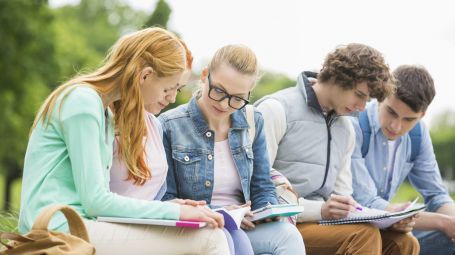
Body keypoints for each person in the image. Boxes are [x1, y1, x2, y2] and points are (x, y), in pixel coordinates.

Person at [18, 27, 230, 255]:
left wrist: (169, 207)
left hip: (81, 223)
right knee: (209, 238)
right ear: (145, 75)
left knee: (203, 233)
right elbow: (95, 201)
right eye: (168, 88)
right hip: (58, 229)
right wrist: (175, 213)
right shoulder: (82, 102)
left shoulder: (104, 112)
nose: (170, 98)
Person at [255, 43, 419, 254]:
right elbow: (257, 189)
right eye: (359, 95)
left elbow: (345, 197)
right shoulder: (276, 109)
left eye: (366, 100)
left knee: (403, 242)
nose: (361, 107)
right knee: (363, 235)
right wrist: (320, 210)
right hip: (280, 226)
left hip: (322, 224)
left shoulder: (346, 129)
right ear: (337, 77)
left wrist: (387, 219)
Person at [159, 44, 306, 255]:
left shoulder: (253, 120)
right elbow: (167, 199)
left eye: (237, 98)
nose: (225, 104)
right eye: (218, 90)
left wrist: (267, 212)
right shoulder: (169, 125)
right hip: (199, 227)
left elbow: (262, 185)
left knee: (288, 236)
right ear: (204, 75)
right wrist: (219, 213)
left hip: (245, 224)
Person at [350, 65, 455, 255]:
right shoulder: (355, 123)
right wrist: (442, 222)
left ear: (422, 115)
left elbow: (437, 195)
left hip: (391, 229)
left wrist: (453, 221)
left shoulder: (418, 133)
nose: (396, 126)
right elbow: (366, 201)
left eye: (408, 119)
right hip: (355, 229)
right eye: (391, 112)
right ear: (381, 97)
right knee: (406, 240)